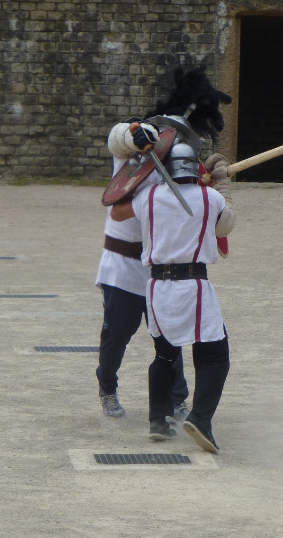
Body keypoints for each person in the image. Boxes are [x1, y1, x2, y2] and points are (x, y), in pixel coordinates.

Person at [109, 66, 235, 452]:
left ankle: (158, 420)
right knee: (214, 355)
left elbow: (118, 211)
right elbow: (226, 226)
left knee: (165, 354)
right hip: (194, 287)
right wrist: (220, 188)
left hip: (157, 289)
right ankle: (200, 418)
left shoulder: (148, 197)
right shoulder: (210, 198)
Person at [95, 119, 190, 421]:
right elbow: (118, 136)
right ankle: (107, 387)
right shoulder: (127, 158)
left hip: (159, 267)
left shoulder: (178, 172)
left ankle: (177, 397)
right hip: (121, 267)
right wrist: (137, 136)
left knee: (168, 335)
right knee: (117, 334)